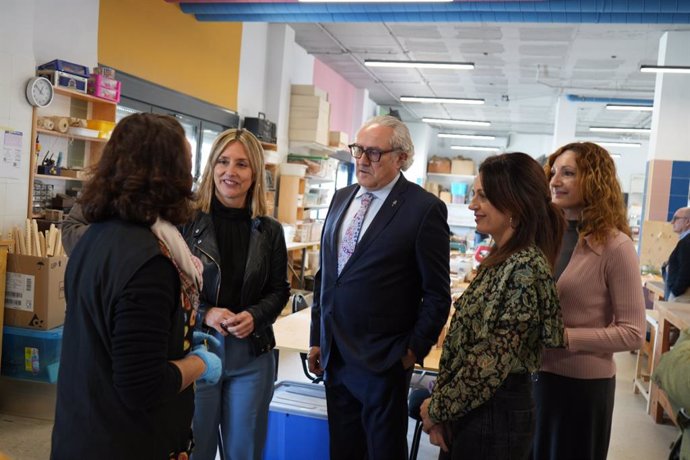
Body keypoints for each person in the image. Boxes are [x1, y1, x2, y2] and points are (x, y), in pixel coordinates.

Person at [51, 113, 221, 460]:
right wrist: (199, 364)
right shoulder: (150, 263)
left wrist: (176, 335)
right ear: (171, 175)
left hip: (82, 431)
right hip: (128, 441)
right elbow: (141, 386)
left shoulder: (95, 237)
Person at [308, 115, 451, 460]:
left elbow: (436, 293)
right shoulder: (342, 198)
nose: (361, 160)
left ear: (401, 157)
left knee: (382, 452)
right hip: (335, 356)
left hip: (383, 361)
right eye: (358, 150)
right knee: (343, 450)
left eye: (374, 153)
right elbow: (327, 275)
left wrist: (411, 351)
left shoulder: (423, 208)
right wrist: (317, 338)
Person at [419, 152, 566, 459]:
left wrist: (438, 408)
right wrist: (446, 409)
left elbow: (491, 362)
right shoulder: (504, 258)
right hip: (476, 407)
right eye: (475, 195)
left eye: (483, 197)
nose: (473, 205)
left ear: (513, 204)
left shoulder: (525, 268)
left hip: (494, 414)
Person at [182, 128, 290, 460]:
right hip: (196, 351)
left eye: (242, 164)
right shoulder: (187, 222)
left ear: (255, 172)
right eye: (223, 162)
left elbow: (279, 289)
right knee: (195, 448)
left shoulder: (269, 230)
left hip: (251, 355)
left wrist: (256, 316)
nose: (231, 172)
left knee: (244, 451)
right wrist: (206, 313)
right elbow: (173, 286)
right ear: (211, 166)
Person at [533, 141, 645, 460]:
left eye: (567, 173)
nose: (554, 181)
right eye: (553, 173)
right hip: (535, 380)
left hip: (581, 390)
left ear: (594, 180)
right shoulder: (545, 236)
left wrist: (564, 337)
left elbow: (633, 332)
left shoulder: (615, 246)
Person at [663, 206, 690, 302]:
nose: (672, 222)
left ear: (687, 222)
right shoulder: (685, 241)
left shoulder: (687, 242)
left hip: (682, 296)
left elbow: (686, 271)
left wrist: (675, 292)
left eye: (676, 219)